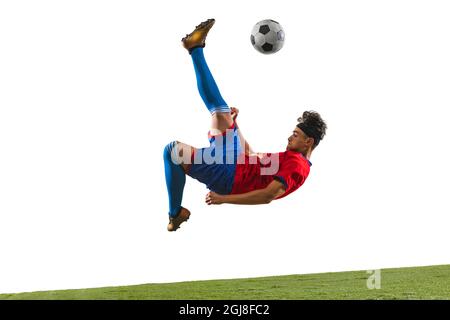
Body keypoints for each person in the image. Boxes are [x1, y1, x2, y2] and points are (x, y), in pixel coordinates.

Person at [163, 19, 327, 231]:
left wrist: (225, 198)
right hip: (236, 159)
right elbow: (251, 154)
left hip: (229, 176)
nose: (289, 137)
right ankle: (195, 47)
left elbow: (268, 195)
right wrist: (236, 125)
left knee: (173, 151)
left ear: (309, 142)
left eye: (295, 135)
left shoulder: (297, 166)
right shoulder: (289, 158)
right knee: (221, 111)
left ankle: (174, 214)